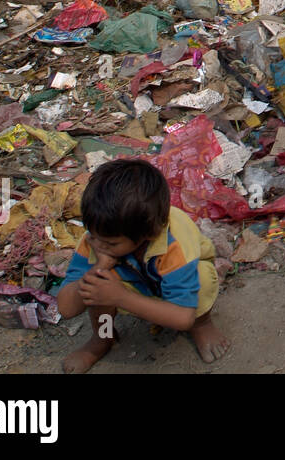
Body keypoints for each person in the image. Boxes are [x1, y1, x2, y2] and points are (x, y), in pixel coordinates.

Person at [56, 159, 227, 373]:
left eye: (110, 243)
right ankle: (103, 338)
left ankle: (202, 324)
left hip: (181, 301)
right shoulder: (100, 236)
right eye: (93, 235)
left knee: (202, 279)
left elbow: (182, 318)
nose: (98, 245)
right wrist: (98, 269)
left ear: (149, 234)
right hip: (138, 286)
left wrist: (120, 297)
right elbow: (66, 308)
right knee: (97, 286)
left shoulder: (175, 242)